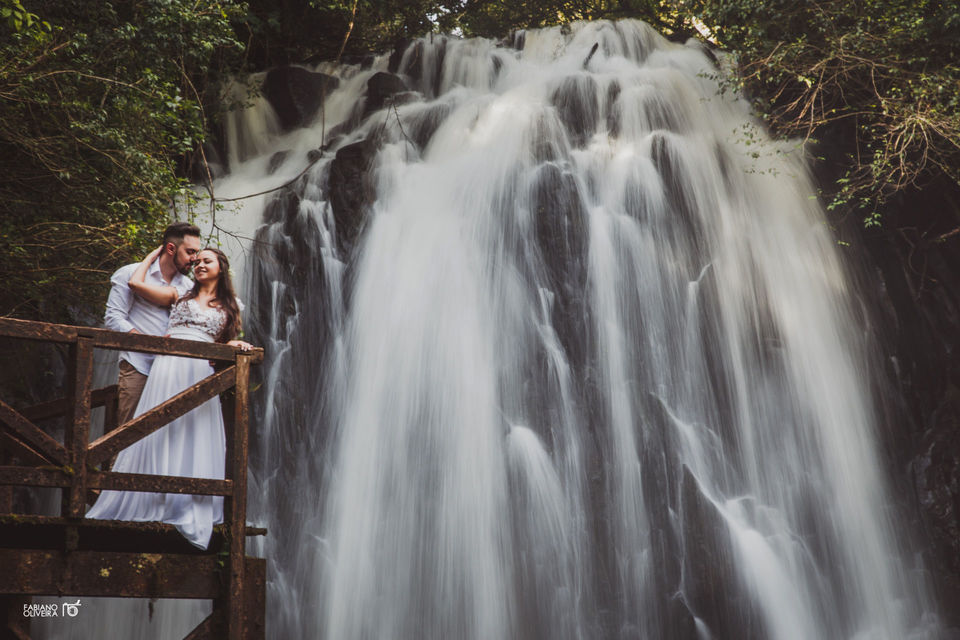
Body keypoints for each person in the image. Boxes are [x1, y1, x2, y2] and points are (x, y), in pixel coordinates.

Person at [87, 246, 253, 549]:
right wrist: (153, 255)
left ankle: (183, 501)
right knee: (156, 426)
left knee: (191, 430)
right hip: (168, 366)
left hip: (198, 371)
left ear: (221, 268)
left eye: (207, 261)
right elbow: (136, 284)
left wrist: (236, 345)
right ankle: (150, 497)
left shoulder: (231, 304)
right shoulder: (180, 294)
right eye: (197, 261)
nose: (199, 264)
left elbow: (228, 337)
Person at [104, 222, 201, 425]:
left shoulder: (189, 287)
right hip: (138, 366)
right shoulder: (129, 273)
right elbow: (113, 318)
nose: (195, 259)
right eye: (190, 252)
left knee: (164, 437)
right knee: (128, 435)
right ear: (171, 248)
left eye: (197, 253)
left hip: (174, 371)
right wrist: (147, 342)